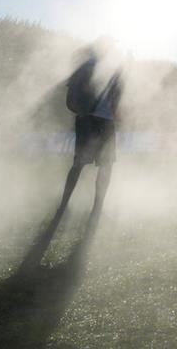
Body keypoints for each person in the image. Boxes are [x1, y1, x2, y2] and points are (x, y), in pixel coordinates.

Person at [54, 43, 125, 229]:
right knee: (88, 165)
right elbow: (73, 93)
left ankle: (87, 209)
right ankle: (72, 208)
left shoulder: (113, 69)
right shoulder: (89, 66)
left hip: (101, 121)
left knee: (98, 165)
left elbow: (116, 96)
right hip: (92, 120)